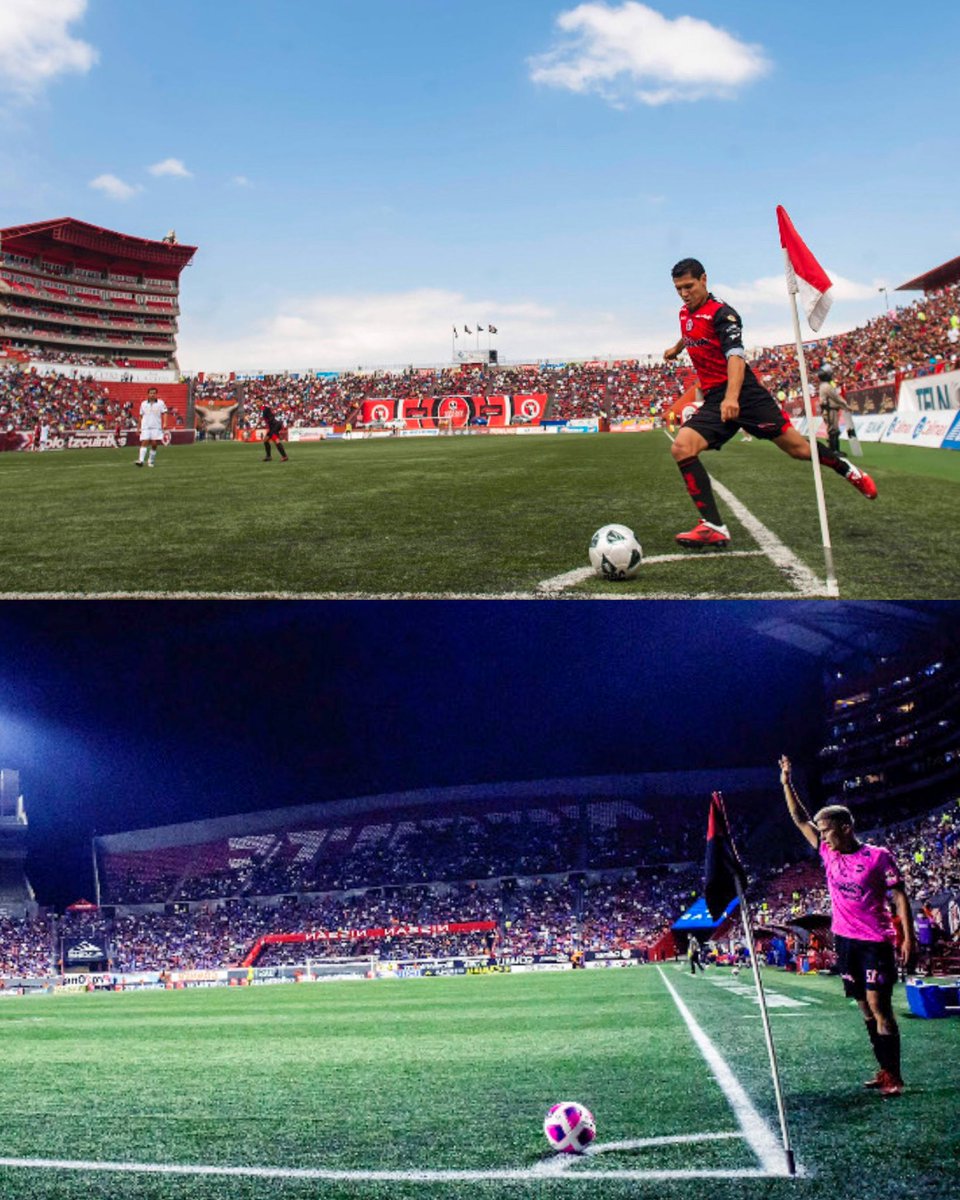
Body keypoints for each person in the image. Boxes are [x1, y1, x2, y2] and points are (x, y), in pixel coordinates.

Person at [664, 259, 877, 548]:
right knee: (681, 447)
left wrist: (732, 397)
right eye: (679, 289)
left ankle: (848, 469)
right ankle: (713, 526)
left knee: (799, 449)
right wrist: (677, 348)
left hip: (745, 396)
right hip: (716, 399)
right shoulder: (685, 312)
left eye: (689, 286)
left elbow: (735, 357)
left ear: (704, 279)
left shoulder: (724, 315)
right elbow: (690, 331)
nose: (684, 293)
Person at [779, 754, 916, 1097]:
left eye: (826, 831)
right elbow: (799, 819)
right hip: (845, 941)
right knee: (863, 1008)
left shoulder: (878, 856)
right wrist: (786, 782)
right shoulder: (829, 854)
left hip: (875, 941)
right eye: (820, 832)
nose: (822, 837)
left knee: (879, 1005)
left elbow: (899, 897)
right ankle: (884, 1070)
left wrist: (908, 938)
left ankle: (895, 1077)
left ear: (845, 828)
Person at [818, 365, 853, 454]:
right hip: (830, 410)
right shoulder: (827, 386)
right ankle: (834, 450)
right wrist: (846, 406)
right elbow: (836, 397)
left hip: (828, 409)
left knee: (832, 430)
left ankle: (833, 450)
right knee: (833, 430)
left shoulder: (823, 386)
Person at [135, 386, 167, 468]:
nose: (152, 395)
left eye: (154, 393)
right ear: (148, 394)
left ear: (156, 394)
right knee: (144, 441)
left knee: (154, 444)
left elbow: (165, 413)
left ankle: (151, 460)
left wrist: (165, 423)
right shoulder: (143, 404)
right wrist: (138, 428)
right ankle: (141, 460)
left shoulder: (160, 403)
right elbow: (140, 416)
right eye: (151, 393)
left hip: (156, 427)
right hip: (145, 426)